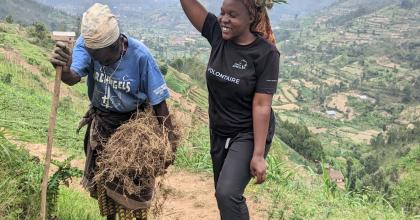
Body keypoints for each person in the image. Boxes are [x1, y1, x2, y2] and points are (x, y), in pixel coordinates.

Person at [50, 3, 177, 220]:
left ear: (118, 43)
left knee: (134, 195)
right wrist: (64, 67)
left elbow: (159, 104)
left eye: (105, 58)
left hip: (135, 131)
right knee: (106, 190)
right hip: (103, 126)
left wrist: (169, 143)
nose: (101, 63)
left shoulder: (140, 56)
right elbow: (73, 77)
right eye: (95, 57)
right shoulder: (87, 46)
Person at [180, 0, 280, 219]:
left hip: (248, 133)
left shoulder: (266, 54)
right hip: (219, 131)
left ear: (251, 18)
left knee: (227, 194)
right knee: (223, 195)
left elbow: (262, 105)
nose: (224, 19)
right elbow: (191, 7)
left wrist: (259, 154)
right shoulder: (218, 35)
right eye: (222, 12)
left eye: (232, 15)